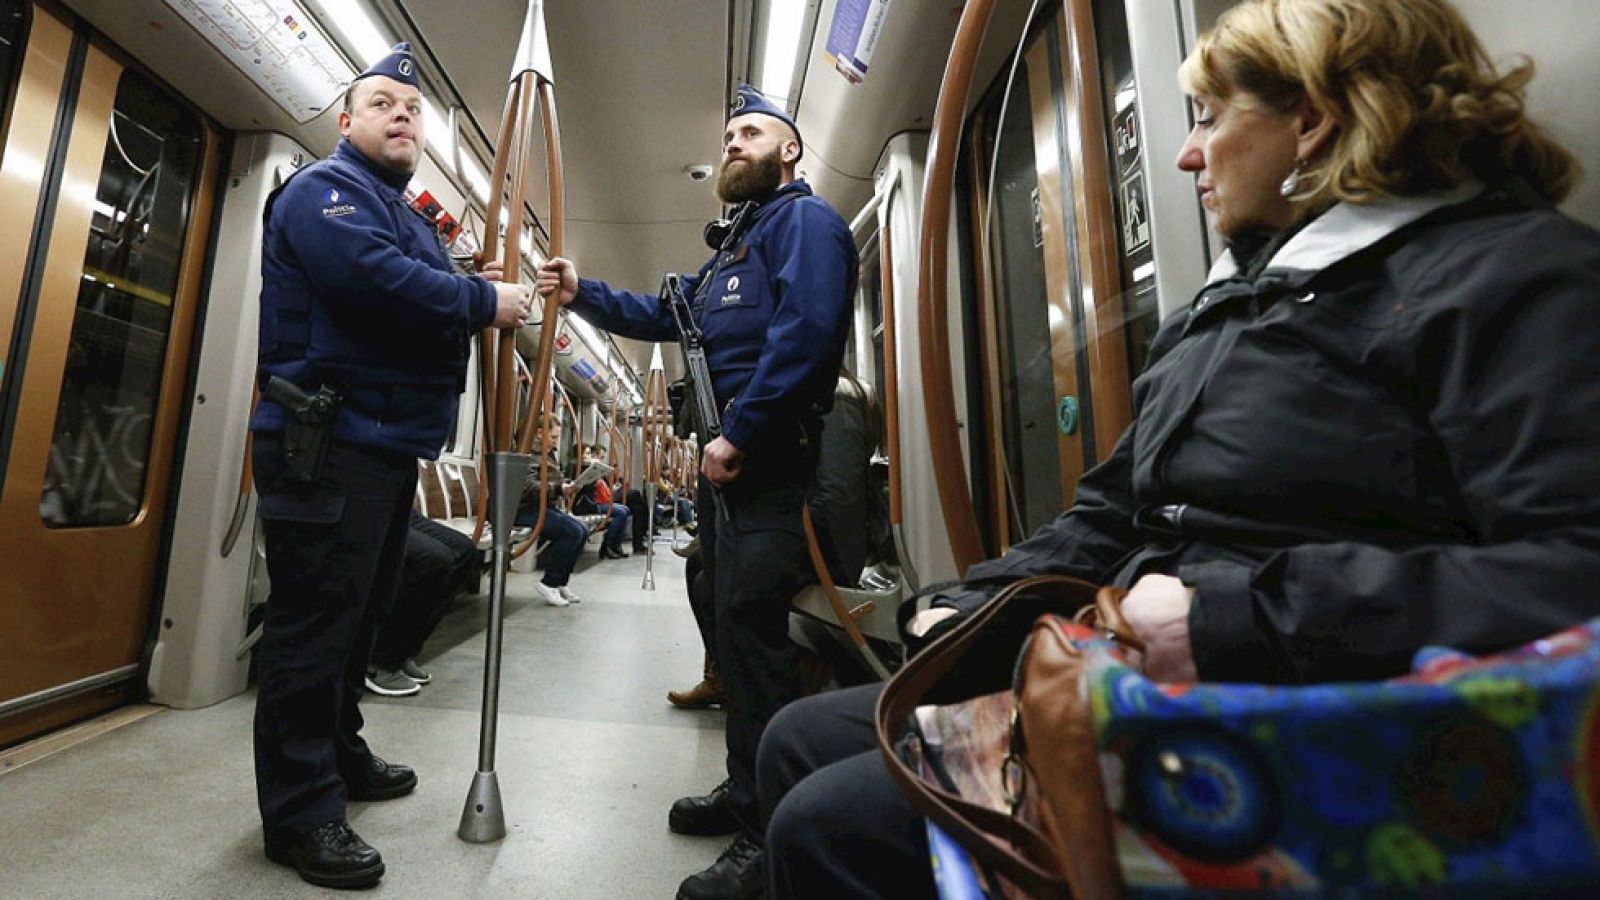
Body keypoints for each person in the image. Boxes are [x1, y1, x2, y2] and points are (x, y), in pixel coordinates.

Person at [754, 1, 1600, 897]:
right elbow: (1117, 510)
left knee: (833, 826)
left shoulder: (1512, 281)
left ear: (1310, 121)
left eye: (1208, 116)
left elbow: (1572, 565)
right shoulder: (1232, 306)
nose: (1188, 153)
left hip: (1309, 698)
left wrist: (1229, 624)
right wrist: (972, 601)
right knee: (799, 736)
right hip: (1155, 661)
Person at [538, 84, 857, 900]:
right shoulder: (731, 251)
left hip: (772, 465)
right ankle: (743, 788)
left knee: (758, 642)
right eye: (727, 134)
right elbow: (666, 315)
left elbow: (805, 336)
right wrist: (584, 293)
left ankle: (766, 835)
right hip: (730, 475)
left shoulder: (805, 225)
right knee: (730, 629)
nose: (733, 143)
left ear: (790, 149)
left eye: (751, 132)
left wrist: (738, 432)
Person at [250, 43, 530, 889]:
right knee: (314, 631)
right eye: (381, 103)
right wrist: (483, 299)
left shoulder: (398, 210)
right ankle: (301, 815)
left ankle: (339, 753)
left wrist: (467, 279)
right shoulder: (325, 194)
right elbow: (376, 286)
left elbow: (416, 277)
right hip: (326, 446)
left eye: (412, 109)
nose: (400, 114)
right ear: (346, 121)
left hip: (378, 446)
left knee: (357, 620)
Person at [364, 509, 479, 696]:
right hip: (361, 507)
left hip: (395, 503)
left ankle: (402, 649)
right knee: (432, 560)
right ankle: (378, 659)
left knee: (465, 551)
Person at [515, 420, 588, 606]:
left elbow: (552, 481)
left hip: (541, 506)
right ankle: (549, 583)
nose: (557, 441)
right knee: (571, 532)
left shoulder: (548, 454)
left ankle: (561, 582)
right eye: (554, 437)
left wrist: (568, 485)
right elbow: (525, 487)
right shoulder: (527, 453)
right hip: (521, 509)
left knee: (582, 530)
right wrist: (559, 488)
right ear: (540, 433)